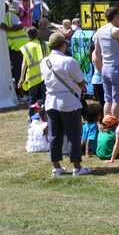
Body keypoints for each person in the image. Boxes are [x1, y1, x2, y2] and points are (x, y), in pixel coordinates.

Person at [40, 32, 90, 176]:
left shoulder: (44, 61)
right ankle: (77, 167)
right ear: (63, 44)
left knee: (54, 135)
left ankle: (56, 167)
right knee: (74, 134)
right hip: (68, 101)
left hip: (51, 100)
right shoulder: (69, 61)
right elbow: (81, 82)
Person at [92, 7, 119, 118]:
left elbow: (97, 51)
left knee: (107, 99)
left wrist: (99, 68)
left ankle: (106, 124)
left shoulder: (100, 30)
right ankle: (113, 124)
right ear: (116, 17)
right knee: (116, 100)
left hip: (105, 68)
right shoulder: (116, 30)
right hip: (116, 67)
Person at [1, 2, 29, 93]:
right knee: (15, 69)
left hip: (18, 47)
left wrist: (7, 28)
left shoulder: (10, 15)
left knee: (19, 69)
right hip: (12, 47)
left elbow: (20, 26)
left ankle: (22, 92)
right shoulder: (5, 16)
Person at [18, 27, 49, 105]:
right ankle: (45, 116)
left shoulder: (26, 47)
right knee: (46, 99)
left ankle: (31, 116)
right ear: (37, 34)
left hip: (33, 78)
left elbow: (24, 64)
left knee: (32, 100)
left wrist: (21, 78)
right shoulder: (46, 44)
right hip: (45, 76)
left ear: (28, 36)